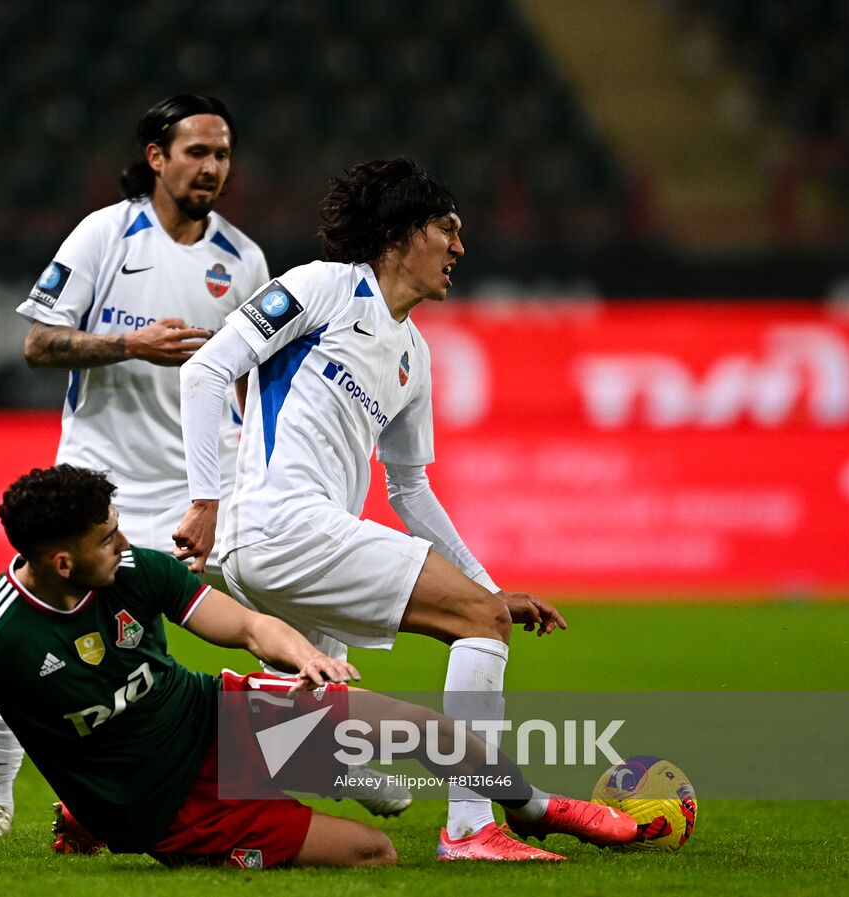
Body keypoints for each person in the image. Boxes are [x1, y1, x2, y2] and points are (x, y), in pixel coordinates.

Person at [0, 465, 635, 874]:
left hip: (218, 717)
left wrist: (302, 654)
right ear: (61, 560)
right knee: (373, 850)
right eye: (106, 537)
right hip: (171, 809)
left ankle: (534, 811)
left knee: (437, 740)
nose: (124, 544)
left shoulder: (133, 569)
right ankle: (94, 817)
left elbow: (240, 623)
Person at [172, 157, 581, 859]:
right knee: (478, 625)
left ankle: (120, 798)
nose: (459, 247)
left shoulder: (414, 356)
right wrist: (204, 499)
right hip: (282, 524)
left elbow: (409, 489)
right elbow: (206, 368)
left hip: (294, 543)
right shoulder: (321, 287)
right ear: (400, 233)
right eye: (446, 229)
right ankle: (471, 825)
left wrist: (487, 584)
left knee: (310, 741)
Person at [0, 95, 277, 840]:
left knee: (253, 618)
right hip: (100, 485)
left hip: (202, 488)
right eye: (196, 151)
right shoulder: (107, 233)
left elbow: (251, 379)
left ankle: (292, 769)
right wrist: (133, 346)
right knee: (35, 637)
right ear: (157, 156)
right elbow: (39, 343)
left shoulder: (245, 258)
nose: (211, 167)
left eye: (222, 153)